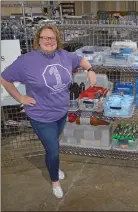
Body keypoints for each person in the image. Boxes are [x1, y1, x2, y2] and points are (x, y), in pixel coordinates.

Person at [0, 25, 96, 199]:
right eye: (45, 37)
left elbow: (80, 60)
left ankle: (53, 165)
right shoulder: (26, 61)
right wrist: (20, 98)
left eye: (52, 38)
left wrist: (90, 70)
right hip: (40, 115)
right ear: (38, 40)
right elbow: (4, 78)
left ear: (57, 40)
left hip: (61, 112)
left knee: (53, 146)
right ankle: (55, 182)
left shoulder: (65, 56)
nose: (49, 41)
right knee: (53, 150)